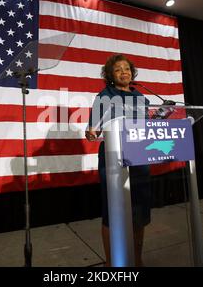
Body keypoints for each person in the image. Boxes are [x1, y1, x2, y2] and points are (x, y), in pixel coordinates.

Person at [85, 54, 151, 267]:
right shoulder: (104, 95)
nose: (124, 72)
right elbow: (92, 129)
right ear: (111, 76)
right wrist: (92, 133)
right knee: (112, 211)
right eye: (118, 69)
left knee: (139, 210)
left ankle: (137, 259)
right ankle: (111, 262)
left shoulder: (141, 97)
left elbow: (147, 127)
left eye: (127, 69)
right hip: (112, 159)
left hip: (139, 156)